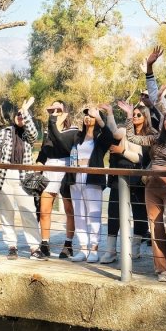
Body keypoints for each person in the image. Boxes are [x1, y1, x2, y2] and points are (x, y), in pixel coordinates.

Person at [124, 104, 166, 282]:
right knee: (156, 228)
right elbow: (130, 137)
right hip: (152, 188)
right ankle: (162, 270)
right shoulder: (155, 139)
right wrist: (130, 116)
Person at [0, 97, 41, 260]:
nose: (19, 117)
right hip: (4, 177)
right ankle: (12, 246)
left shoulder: (29, 135)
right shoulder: (4, 133)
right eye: (18, 114)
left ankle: (34, 248)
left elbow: (33, 132)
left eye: (22, 115)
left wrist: (25, 112)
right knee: (6, 214)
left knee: (29, 212)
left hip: (24, 177)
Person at [100, 103, 151, 263]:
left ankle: (134, 249)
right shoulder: (124, 132)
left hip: (138, 180)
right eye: (133, 114)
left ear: (145, 118)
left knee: (140, 214)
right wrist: (109, 113)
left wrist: (123, 151)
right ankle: (110, 250)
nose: (135, 117)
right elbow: (115, 132)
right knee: (114, 213)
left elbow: (140, 158)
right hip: (118, 179)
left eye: (138, 115)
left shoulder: (148, 136)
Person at [68, 105, 112, 262]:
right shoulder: (77, 137)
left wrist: (100, 117)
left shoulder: (100, 138)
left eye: (91, 115)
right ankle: (83, 248)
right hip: (76, 176)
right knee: (79, 213)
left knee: (94, 213)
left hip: (92, 177)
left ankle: (94, 248)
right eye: (86, 115)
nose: (88, 117)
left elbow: (110, 135)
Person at [36, 101, 79, 258]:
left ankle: (68, 245)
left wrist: (54, 124)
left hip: (66, 168)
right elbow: (43, 151)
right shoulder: (48, 132)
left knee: (69, 210)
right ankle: (45, 244)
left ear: (65, 112)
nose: (54, 112)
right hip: (49, 169)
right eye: (51, 110)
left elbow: (63, 144)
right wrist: (37, 168)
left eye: (58, 110)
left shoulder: (73, 131)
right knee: (44, 209)